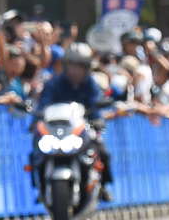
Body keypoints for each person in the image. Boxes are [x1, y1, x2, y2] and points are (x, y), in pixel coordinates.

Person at [35, 42, 115, 198]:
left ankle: (103, 186)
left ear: (87, 68)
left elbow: (96, 106)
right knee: (36, 153)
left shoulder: (91, 85)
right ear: (65, 66)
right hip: (57, 130)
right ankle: (41, 187)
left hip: (82, 129)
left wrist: (98, 120)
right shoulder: (54, 83)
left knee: (103, 151)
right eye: (72, 65)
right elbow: (43, 106)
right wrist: (35, 121)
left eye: (79, 66)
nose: (75, 70)